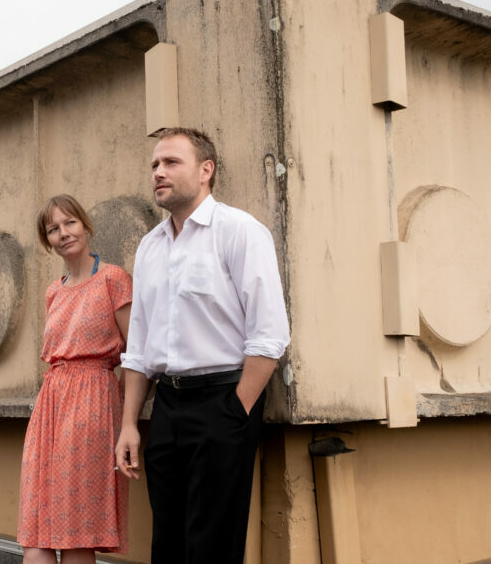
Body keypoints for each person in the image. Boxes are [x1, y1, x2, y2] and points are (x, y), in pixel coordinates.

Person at [114, 128, 290, 563]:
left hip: (223, 401)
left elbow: (269, 335)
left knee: (212, 545)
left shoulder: (239, 231)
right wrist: (129, 424)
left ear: (205, 170)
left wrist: (236, 410)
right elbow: (139, 346)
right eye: (155, 164)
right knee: (167, 543)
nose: (158, 172)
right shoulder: (150, 247)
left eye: (171, 162)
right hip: (167, 407)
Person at [18, 194, 133, 564]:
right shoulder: (54, 290)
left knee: (76, 536)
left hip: (92, 406)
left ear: (85, 225)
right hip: (50, 409)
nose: (64, 233)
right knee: (35, 536)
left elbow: (138, 355)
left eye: (70, 222)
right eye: (53, 229)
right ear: (47, 240)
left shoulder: (113, 279)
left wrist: (123, 415)